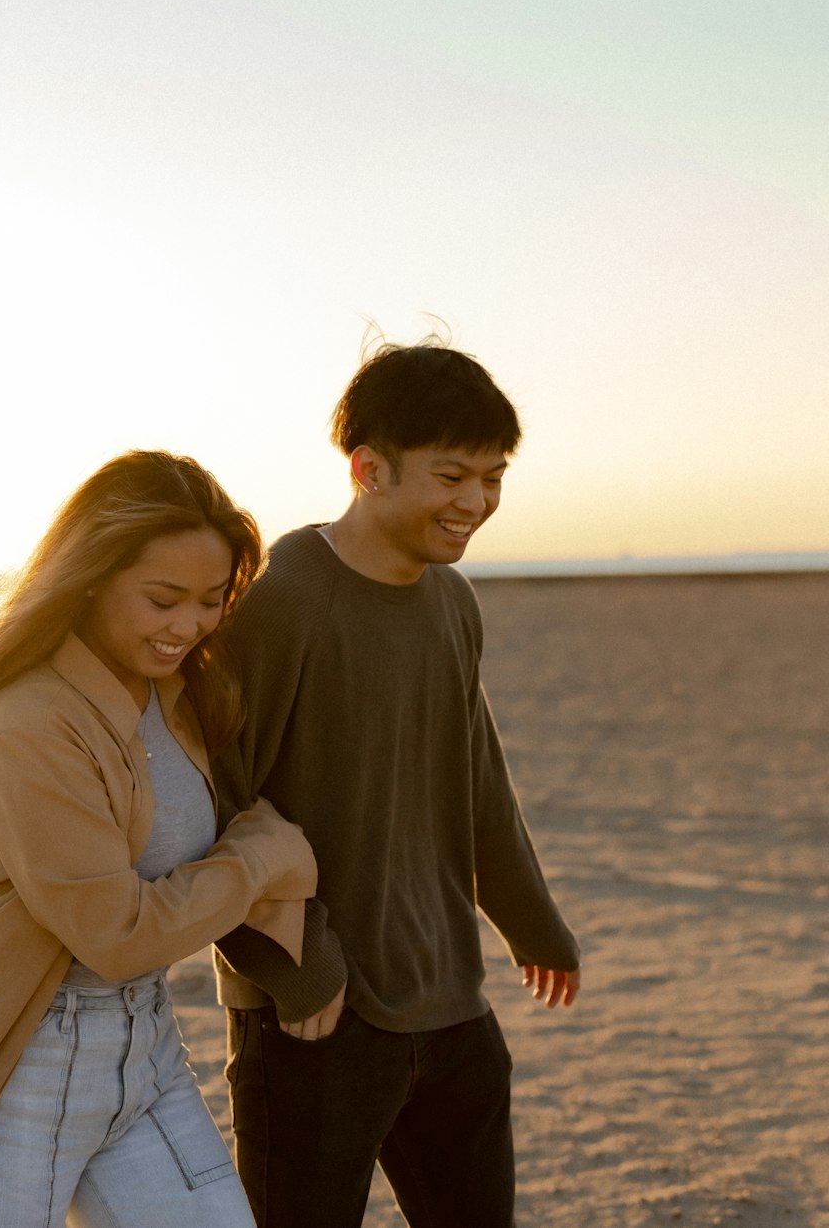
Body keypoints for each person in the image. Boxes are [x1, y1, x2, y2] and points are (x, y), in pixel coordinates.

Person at [0, 450, 318, 1228]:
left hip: (142, 1050)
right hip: (14, 1060)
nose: (189, 625)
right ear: (94, 575)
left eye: (210, 600)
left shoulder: (173, 691)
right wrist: (263, 860)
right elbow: (116, 933)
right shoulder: (31, 721)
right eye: (163, 599)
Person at [211, 338, 582, 1228]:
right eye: (452, 476)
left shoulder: (454, 600)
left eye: (493, 478)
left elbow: (476, 776)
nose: (477, 503)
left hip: (452, 1004)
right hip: (315, 1019)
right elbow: (213, 803)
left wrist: (532, 920)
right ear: (368, 468)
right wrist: (298, 968)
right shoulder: (285, 597)